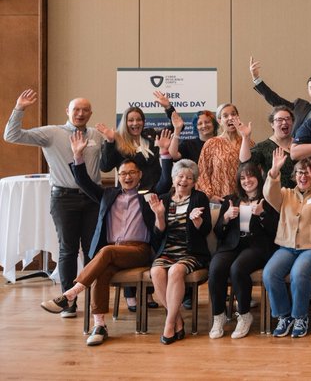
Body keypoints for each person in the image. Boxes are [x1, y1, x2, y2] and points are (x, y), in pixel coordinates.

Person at [40, 132, 160, 347]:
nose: (127, 177)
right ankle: (99, 325)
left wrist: (167, 154)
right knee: (101, 271)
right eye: (123, 173)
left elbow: (167, 179)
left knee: (104, 252)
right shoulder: (108, 195)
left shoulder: (148, 196)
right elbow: (83, 182)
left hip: (139, 251)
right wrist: (78, 156)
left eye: (132, 173)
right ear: (118, 175)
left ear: (140, 175)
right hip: (114, 251)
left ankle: (71, 293)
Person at [6, 90, 104, 318]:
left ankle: (95, 303)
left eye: (85, 110)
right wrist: (19, 108)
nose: (80, 113)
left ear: (91, 113)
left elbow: (107, 164)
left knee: (94, 251)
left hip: (93, 200)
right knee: (68, 250)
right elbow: (12, 136)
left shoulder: (96, 135)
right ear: (67, 112)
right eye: (76, 109)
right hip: (64, 199)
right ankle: (67, 302)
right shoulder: (51, 133)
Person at [263, 154, 311, 339]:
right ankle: (284, 316)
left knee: (299, 272)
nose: (303, 176)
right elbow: (268, 193)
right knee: (270, 273)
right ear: (294, 175)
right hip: (288, 247)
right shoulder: (285, 194)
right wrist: (274, 171)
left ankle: (300, 317)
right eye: (299, 173)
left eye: (307, 173)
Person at [208, 160, 278, 340]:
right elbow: (218, 232)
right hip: (231, 245)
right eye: (243, 178)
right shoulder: (231, 199)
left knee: (237, 269)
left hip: (257, 247)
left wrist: (261, 214)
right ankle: (219, 316)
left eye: (250, 176)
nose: (247, 180)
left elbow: (276, 231)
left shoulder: (268, 197)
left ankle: (244, 314)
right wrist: (225, 217)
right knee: (215, 268)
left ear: (258, 176)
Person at [148, 152, 212, 344]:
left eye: (189, 178)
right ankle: (176, 319)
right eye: (180, 176)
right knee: (156, 271)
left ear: (194, 182)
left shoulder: (200, 198)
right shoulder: (164, 199)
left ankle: (169, 324)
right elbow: (157, 235)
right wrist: (159, 215)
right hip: (168, 250)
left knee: (176, 270)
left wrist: (197, 220)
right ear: (173, 179)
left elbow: (206, 230)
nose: (184, 180)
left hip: (191, 251)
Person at [249, 56, 311, 131]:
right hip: (300, 143)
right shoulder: (300, 106)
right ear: (308, 91)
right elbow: (275, 100)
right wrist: (256, 79)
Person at [97, 106, 161, 188]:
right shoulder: (117, 141)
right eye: (131, 120)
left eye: (139, 120)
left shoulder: (150, 135)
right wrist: (110, 141)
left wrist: (168, 108)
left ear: (143, 122)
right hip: (130, 195)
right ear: (125, 123)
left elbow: (172, 129)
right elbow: (105, 168)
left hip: (154, 194)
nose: (135, 123)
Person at [197, 103, 244, 201]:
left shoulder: (248, 142)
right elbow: (202, 174)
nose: (230, 118)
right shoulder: (211, 143)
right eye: (225, 116)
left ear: (238, 117)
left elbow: (255, 171)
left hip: (244, 199)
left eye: (233, 114)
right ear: (219, 121)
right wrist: (210, 196)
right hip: (220, 199)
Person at [243, 105, 297, 188]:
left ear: (292, 122)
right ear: (272, 124)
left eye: (288, 119)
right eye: (279, 120)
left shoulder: (300, 143)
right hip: (274, 196)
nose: (284, 122)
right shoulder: (263, 146)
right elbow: (245, 163)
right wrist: (245, 137)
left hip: (300, 196)